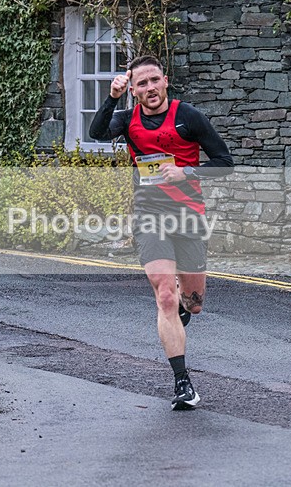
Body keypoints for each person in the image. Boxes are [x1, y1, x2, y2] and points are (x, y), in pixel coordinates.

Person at [89, 55, 234, 411]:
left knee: (194, 303)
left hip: (188, 216)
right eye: (141, 84)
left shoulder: (189, 117)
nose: (150, 88)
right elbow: (95, 132)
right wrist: (111, 97)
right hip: (149, 215)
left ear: (165, 81)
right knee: (165, 295)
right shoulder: (126, 119)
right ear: (134, 91)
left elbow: (224, 164)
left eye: (154, 80)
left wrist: (186, 172)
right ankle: (183, 383)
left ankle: (182, 314)